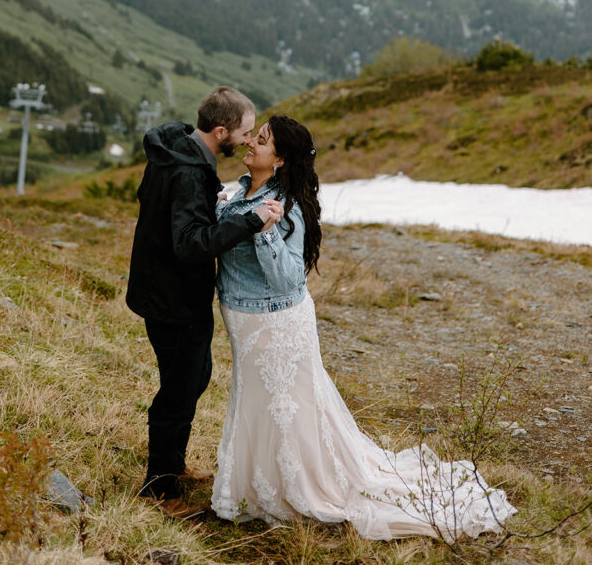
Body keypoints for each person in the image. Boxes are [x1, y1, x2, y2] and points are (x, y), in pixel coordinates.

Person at [211, 115, 516, 541]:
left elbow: (288, 279)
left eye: (260, 141)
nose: (250, 144)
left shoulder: (285, 207)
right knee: (259, 402)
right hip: (242, 318)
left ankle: (298, 488)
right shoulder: (241, 188)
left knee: (286, 407)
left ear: (279, 160)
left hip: (274, 321)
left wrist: (265, 233)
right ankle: (256, 486)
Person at [125, 87, 284, 518]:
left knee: (193, 379)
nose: (250, 140)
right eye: (246, 132)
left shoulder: (176, 152)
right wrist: (251, 221)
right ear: (221, 131)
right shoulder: (189, 172)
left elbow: (158, 209)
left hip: (162, 291)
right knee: (178, 391)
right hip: (175, 300)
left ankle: (172, 466)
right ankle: (160, 490)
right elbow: (189, 244)